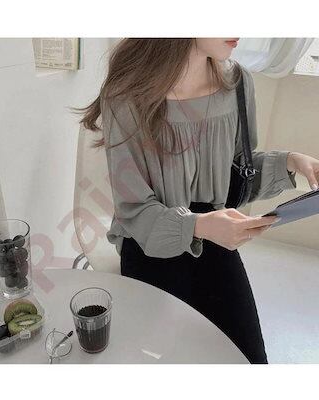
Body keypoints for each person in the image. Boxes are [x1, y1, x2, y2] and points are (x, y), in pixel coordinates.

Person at [75, 38, 319, 364]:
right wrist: (199, 226)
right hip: (151, 245)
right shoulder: (126, 95)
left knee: (248, 360)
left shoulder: (237, 84)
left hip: (213, 242)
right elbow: (134, 211)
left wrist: (290, 162)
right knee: (168, 361)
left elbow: (238, 174)